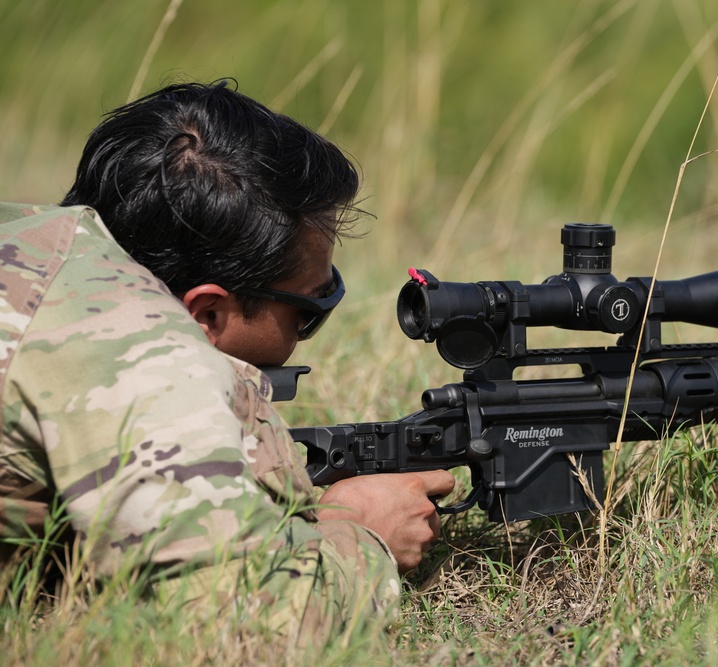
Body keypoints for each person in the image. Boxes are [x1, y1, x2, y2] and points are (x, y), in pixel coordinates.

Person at [0, 80, 455, 642]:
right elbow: (242, 624)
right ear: (206, 315)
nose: (307, 330)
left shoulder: (30, 240)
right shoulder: (142, 352)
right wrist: (361, 532)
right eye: (310, 310)